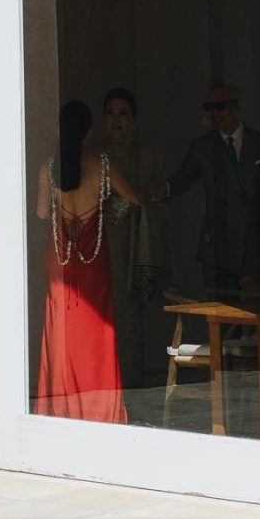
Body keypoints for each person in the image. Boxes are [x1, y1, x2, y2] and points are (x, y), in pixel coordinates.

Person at [33, 100, 140, 422]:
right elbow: (136, 198)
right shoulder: (102, 163)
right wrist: (113, 208)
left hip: (61, 255)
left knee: (60, 331)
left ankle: (61, 408)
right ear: (89, 130)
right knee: (97, 331)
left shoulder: (49, 166)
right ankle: (99, 410)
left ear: (58, 129)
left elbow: (41, 213)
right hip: (93, 256)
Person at [161, 82, 260, 290]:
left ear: (237, 106)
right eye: (208, 108)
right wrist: (156, 189)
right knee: (221, 318)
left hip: (258, 249)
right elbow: (180, 181)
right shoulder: (202, 147)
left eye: (220, 106)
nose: (214, 113)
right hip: (218, 250)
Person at [99, 87, 171, 393]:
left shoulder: (148, 155)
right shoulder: (96, 157)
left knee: (133, 326)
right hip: (105, 254)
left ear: (134, 120)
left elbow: (161, 199)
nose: (117, 121)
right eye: (111, 115)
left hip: (140, 252)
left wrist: (144, 199)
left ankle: (132, 395)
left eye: (123, 114)